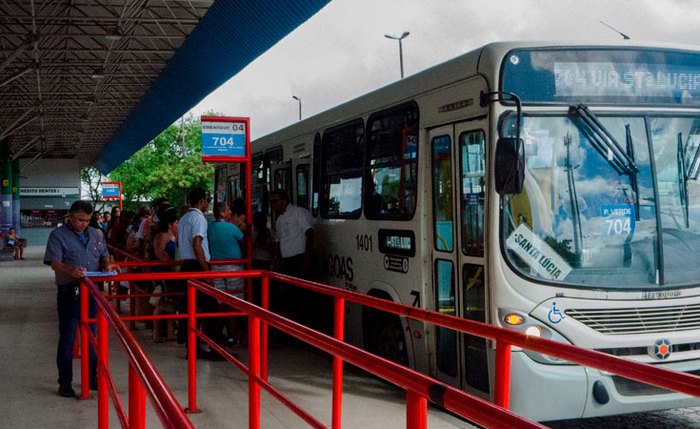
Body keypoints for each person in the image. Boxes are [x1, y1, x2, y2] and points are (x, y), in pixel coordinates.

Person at [43, 200, 120, 398]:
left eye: (87, 220)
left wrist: (107, 265)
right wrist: (70, 270)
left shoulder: (96, 234)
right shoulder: (58, 235)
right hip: (70, 291)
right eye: (79, 220)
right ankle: (65, 381)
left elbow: (104, 255)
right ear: (70, 216)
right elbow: (54, 263)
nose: (83, 224)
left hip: (92, 291)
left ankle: (92, 378)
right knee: (68, 336)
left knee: (92, 336)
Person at [177, 187, 222, 359]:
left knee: (191, 309)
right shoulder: (199, 218)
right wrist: (206, 271)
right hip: (198, 266)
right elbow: (197, 245)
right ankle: (216, 348)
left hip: (187, 265)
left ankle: (192, 347)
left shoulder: (184, 218)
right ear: (202, 200)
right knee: (211, 308)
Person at [208, 200, 246, 347]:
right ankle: (232, 335)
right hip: (233, 267)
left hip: (216, 267)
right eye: (228, 209)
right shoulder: (232, 228)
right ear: (223, 212)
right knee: (234, 302)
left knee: (220, 302)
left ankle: (218, 334)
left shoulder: (210, 228)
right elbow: (244, 242)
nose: (231, 212)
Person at [269, 189, 314, 278]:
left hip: (299, 258)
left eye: (275, 202)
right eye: (271, 202)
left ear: (284, 201)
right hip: (286, 261)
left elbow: (310, 233)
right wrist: (278, 260)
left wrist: (307, 258)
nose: (273, 205)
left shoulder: (298, 212)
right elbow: (279, 241)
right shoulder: (279, 220)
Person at [151, 205, 180, 343]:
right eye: (176, 223)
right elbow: (159, 253)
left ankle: (169, 332)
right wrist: (173, 263)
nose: (177, 225)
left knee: (170, 303)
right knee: (161, 303)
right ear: (170, 224)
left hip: (170, 272)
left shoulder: (173, 236)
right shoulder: (162, 236)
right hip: (162, 272)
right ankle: (156, 333)